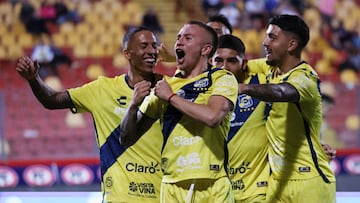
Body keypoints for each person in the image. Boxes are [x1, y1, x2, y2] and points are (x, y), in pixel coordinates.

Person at [16, 26, 163, 203]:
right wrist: (34, 79)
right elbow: (52, 100)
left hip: (163, 197)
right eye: (144, 45)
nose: (151, 51)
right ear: (127, 53)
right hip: (119, 198)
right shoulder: (102, 90)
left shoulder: (169, 90)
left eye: (154, 46)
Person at [119, 21, 238, 203]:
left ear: (205, 49)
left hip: (213, 184)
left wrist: (172, 97)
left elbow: (213, 117)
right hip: (172, 187)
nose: (179, 42)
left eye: (187, 38)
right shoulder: (165, 86)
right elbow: (126, 138)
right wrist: (133, 105)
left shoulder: (222, 79)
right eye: (178, 38)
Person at [238, 14, 336, 202]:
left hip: (309, 182)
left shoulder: (305, 78)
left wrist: (244, 88)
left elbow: (282, 92)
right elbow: (234, 65)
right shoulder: (270, 67)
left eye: (272, 37)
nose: (264, 42)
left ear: (291, 45)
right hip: (276, 182)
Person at [212, 34, 270, 202]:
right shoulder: (201, 90)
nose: (224, 67)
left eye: (232, 61)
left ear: (243, 63)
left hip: (255, 192)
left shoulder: (259, 83)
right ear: (210, 62)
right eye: (218, 60)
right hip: (217, 192)